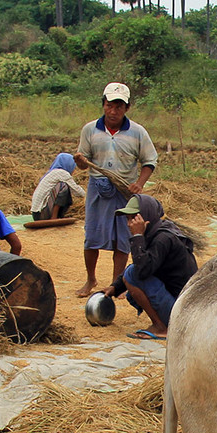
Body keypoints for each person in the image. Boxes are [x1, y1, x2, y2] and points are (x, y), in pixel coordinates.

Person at [72, 82, 157, 297]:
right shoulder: (90, 130)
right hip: (97, 190)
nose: (113, 111)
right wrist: (81, 161)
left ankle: (116, 284)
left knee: (122, 239)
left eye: (119, 106)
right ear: (103, 104)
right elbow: (83, 163)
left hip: (125, 192)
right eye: (110, 105)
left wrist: (140, 183)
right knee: (92, 236)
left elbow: (150, 161)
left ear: (127, 108)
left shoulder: (137, 132)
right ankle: (90, 279)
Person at [103, 194, 199, 340]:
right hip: (184, 309)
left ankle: (162, 327)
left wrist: (137, 237)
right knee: (130, 272)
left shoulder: (163, 239)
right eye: (128, 219)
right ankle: (163, 322)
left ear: (146, 217)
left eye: (134, 218)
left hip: (182, 313)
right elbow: (142, 265)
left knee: (131, 275)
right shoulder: (156, 233)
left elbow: (141, 271)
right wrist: (116, 287)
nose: (129, 224)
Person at [30, 152, 87, 221]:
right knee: (63, 186)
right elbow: (77, 191)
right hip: (42, 213)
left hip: (36, 214)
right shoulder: (61, 173)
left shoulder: (51, 173)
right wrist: (87, 195)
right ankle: (54, 217)